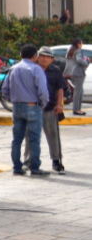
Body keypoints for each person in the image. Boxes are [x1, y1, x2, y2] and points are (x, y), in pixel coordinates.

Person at [4, 44, 50, 176]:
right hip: (32, 106)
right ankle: (34, 167)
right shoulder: (36, 69)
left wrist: (13, 99)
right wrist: (42, 104)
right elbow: (43, 91)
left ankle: (17, 167)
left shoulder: (13, 69)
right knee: (34, 138)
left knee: (17, 139)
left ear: (20, 55)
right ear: (35, 56)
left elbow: (5, 89)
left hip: (17, 107)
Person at [28, 47, 67, 175]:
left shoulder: (56, 71)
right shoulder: (31, 69)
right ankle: (28, 160)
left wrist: (59, 104)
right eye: (42, 55)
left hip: (50, 108)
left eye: (47, 56)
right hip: (33, 108)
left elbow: (60, 88)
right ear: (37, 57)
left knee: (53, 135)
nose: (44, 58)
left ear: (52, 59)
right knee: (30, 135)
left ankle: (56, 160)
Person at [65, 39, 88, 115]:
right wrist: (86, 63)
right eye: (81, 43)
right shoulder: (78, 51)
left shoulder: (70, 51)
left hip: (71, 73)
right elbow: (79, 60)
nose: (82, 44)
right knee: (78, 92)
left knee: (79, 91)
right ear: (78, 44)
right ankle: (76, 110)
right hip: (78, 73)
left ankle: (78, 109)